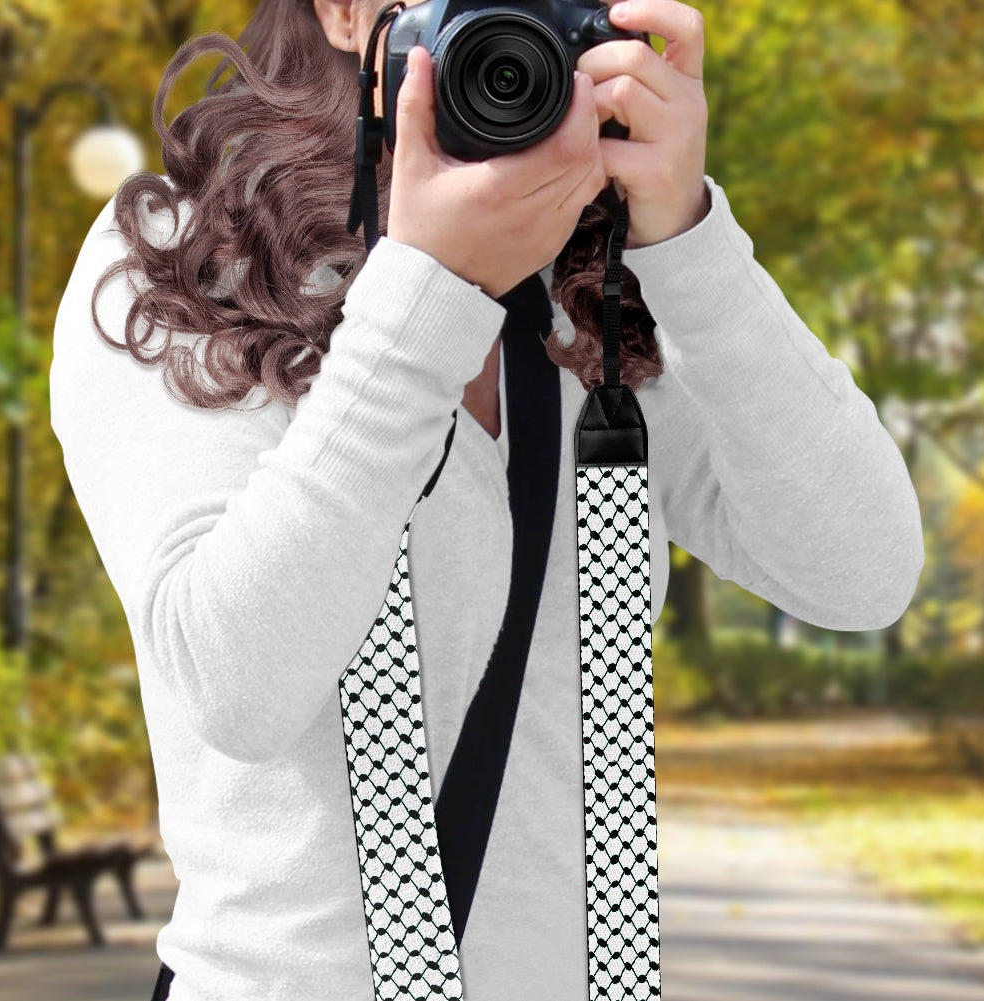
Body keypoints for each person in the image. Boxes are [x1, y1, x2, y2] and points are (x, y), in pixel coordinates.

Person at [48, 1, 925, 999]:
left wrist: (689, 237)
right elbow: (235, 686)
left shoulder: (601, 271)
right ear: (344, 13)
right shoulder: (179, 259)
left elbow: (860, 573)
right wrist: (427, 290)